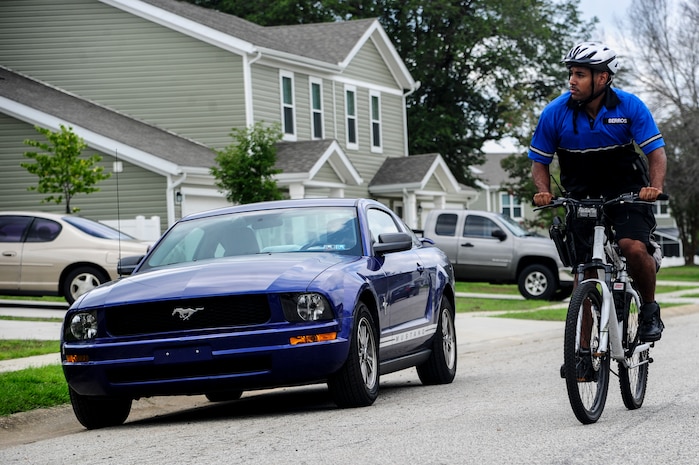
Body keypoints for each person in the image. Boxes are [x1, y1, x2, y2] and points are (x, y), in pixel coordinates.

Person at [528, 41, 667, 342]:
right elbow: (539, 161)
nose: (571, 81)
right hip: (581, 195)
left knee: (632, 247)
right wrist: (543, 190)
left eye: (580, 74)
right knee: (586, 274)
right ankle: (582, 355)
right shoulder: (555, 112)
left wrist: (653, 187)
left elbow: (656, 152)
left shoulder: (629, 107)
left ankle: (649, 309)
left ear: (602, 78)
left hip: (626, 190)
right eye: (571, 73)